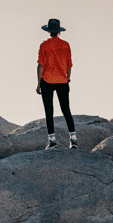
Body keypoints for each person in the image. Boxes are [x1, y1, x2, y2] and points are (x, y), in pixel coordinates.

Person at [36, 18, 77, 149]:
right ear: (59, 32)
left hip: (47, 81)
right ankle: (73, 140)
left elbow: (40, 66)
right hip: (62, 81)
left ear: (48, 31)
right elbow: (69, 66)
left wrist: (38, 84)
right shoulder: (65, 45)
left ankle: (52, 141)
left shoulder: (44, 45)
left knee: (49, 111)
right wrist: (67, 79)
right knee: (66, 110)